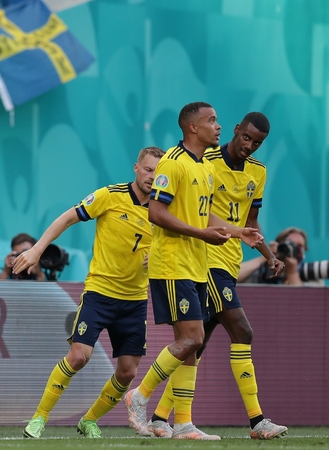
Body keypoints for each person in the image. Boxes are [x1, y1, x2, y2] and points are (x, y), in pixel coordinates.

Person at [123, 102, 263, 440]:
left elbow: (203, 215)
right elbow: (156, 212)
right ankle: (139, 395)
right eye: (212, 120)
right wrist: (201, 234)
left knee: (189, 347)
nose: (218, 126)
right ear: (192, 128)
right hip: (173, 264)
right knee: (192, 339)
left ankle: (182, 423)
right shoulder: (173, 162)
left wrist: (237, 231)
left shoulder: (205, 166)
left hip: (196, 265)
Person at [146, 112, 288, 440]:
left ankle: (160, 417)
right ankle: (257, 421)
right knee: (242, 331)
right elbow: (181, 210)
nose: (249, 146)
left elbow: (250, 222)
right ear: (237, 130)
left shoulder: (258, 172)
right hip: (206, 260)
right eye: (246, 137)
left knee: (195, 346)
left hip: (230, 262)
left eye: (257, 143)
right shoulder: (204, 160)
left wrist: (269, 255)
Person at [15, 146, 163, 439]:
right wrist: (37, 250)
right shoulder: (110, 195)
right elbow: (67, 218)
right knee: (79, 356)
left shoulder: (163, 211)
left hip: (135, 300)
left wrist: (159, 256)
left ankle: (89, 420)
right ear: (136, 168)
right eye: (148, 170)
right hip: (100, 293)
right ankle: (39, 418)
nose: (152, 177)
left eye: (158, 174)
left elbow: (174, 245)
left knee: (128, 372)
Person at [239, 227, 327, 286]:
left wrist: (292, 273)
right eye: (289, 244)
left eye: (299, 246)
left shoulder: (313, 273)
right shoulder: (263, 271)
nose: (293, 249)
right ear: (278, 246)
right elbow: (235, 276)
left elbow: (304, 304)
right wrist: (268, 256)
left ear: (304, 250)